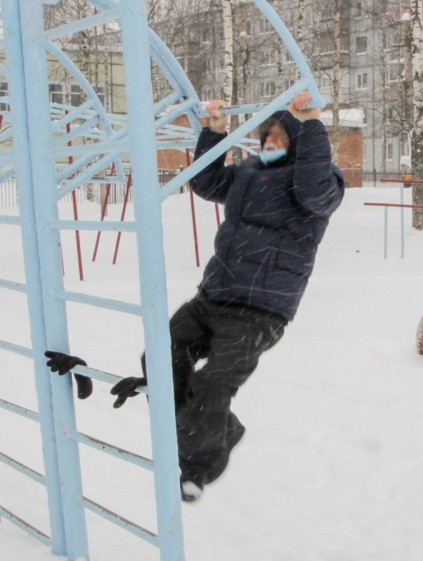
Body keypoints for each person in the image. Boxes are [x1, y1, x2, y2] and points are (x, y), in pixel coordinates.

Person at [111, 91, 345, 502]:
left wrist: (310, 125)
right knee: (161, 357)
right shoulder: (248, 173)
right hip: (213, 295)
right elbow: (205, 180)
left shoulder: (321, 183)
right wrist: (212, 132)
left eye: (279, 137)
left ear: (295, 141)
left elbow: (312, 189)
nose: (270, 144)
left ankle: (198, 467)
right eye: (266, 136)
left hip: (261, 310)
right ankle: (222, 426)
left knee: (213, 384)